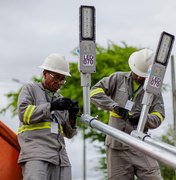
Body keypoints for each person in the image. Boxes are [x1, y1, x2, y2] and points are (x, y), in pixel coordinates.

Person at [90, 49, 165, 180]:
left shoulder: (155, 91)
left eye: (143, 76)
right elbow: (94, 92)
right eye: (137, 74)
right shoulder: (118, 78)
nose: (139, 77)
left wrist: (144, 118)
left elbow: (159, 116)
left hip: (141, 147)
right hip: (116, 147)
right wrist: (114, 106)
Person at [17, 53, 79, 180]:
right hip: (37, 154)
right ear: (45, 73)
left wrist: (72, 117)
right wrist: (51, 106)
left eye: (62, 79)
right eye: (56, 77)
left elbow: (69, 133)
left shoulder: (59, 98)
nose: (59, 82)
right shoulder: (31, 89)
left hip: (61, 159)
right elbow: (24, 114)